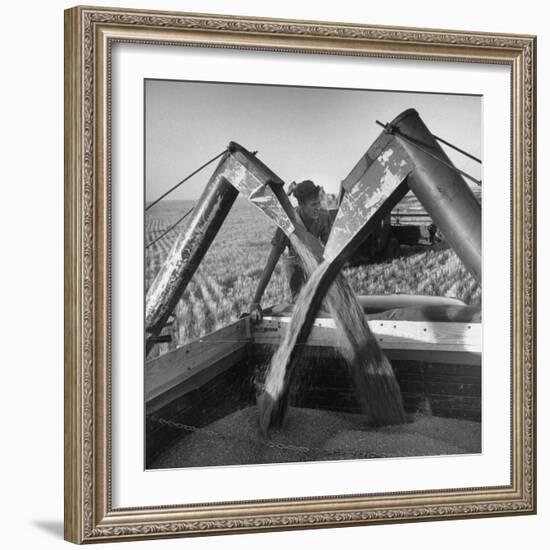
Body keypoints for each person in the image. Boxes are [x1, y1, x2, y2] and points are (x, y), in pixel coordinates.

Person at [249, 180, 333, 322]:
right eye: (313, 205)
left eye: (318, 203)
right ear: (301, 205)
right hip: (294, 261)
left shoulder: (323, 217)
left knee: (322, 299)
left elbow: (330, 251)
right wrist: (255, 302)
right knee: (301, 303)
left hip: (313, 257)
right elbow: (270, 264)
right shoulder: (287, 224)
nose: (318, 207)